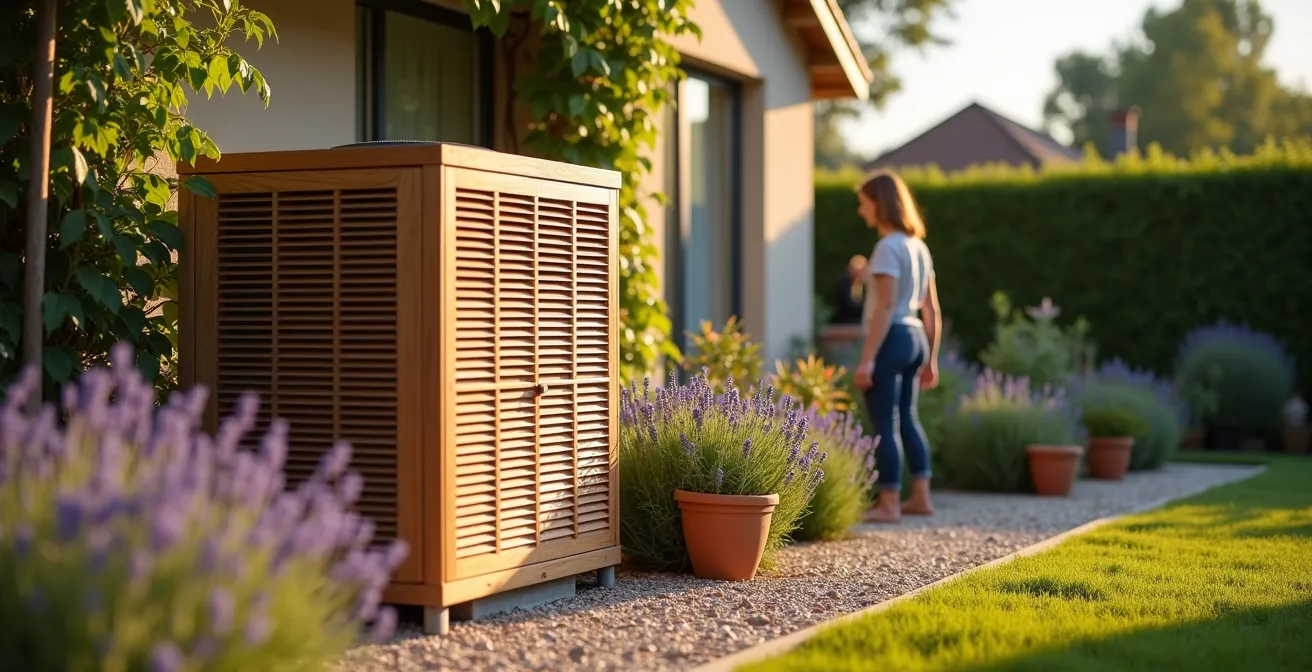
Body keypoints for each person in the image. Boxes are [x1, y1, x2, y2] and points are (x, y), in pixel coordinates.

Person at [851, 170, 941, 523]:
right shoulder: (919, 247)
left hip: (893, 338)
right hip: (916, 338)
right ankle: (921, 497)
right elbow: (932, 311)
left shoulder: (887, 247)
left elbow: (886, 307)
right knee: (908, 418)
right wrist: (931, 359)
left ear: (880, 203)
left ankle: (888, 503)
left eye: (864, 203)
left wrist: (867, 360)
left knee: (885, 423)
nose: (861, 211)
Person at [829, 255, 867, 324]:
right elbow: (842, 305)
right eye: (855, 270)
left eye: (861, 270)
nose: (858, 274)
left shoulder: (869, 286)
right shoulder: (842, 284)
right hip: (845, 322)